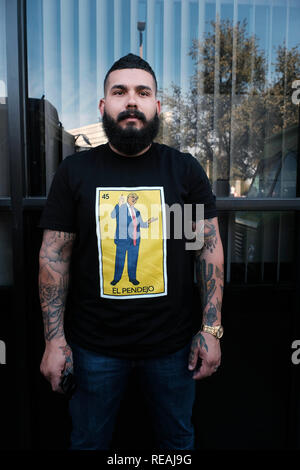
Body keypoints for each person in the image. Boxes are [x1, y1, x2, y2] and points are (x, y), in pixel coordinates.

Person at [38, 53, 224, 450]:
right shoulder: (76, 172)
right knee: (88, 442)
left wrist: (210, 330)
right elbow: (54, 257)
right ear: (104, 106)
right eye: (119, 92)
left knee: (177, 443)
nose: (131, 101)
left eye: (143, 92)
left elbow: (206, 250)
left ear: (158, 106)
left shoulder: (182, 171)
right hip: (93, 350)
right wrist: (55, 341)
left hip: (173, 351)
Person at [110, 192, 157, 286]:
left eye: (136, 198)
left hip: (134, 241)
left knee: (133, 260)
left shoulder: (137, 211)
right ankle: (116, 279)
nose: (134, 199)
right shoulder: (121, 207)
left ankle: (132, 278)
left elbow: (142, 225)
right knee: (120, 260)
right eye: (133, 197)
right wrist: (119, 203)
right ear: (128, 198)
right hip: (122, 240)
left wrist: (149, 221)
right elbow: (112, 215)